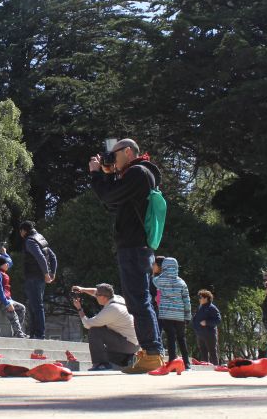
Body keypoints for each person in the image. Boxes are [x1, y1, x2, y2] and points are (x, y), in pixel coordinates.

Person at [89, 138, 165, 373]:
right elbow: (113, 204)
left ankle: (152, 352)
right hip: (136, 247)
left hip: (134, 246)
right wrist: (109, 174)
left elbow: (108, 197)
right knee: (139, 300)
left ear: (129, 152)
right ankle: (152, 351)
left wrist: (96, 174)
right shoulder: (136, 175)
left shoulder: (138, 173)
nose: (112, 157)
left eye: (115, 153)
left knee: (138, 301)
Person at [72, 283, 138, 371]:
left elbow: (87, 324)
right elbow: (95, 291)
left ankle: (101, 364)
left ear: (104, 297)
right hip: (132, 343)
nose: (95, 296)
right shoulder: (118, 298)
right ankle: (126, 359)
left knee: (95, 330)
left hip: (127, 344)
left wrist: (79, 309)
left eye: (97, 295)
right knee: (105, 350)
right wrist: (82, 289)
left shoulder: (112, 309)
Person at [18, 220, 57, 340]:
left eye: (21, 231)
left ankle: (39, 334)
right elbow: (53, 256)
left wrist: (46, 273)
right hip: (39, 278)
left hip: (33, 277)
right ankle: (35, 333)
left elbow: (40, 257)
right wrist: (52, 272)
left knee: (36, 306)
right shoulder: (40, 238)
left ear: (24, 231)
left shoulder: (30, 241)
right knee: (35, 305)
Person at [153, 257, 192, 369]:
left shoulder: (160, 280)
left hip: (166, 315)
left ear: (164, 267)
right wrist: (188, 315)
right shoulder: (181, 282)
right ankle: (186, 363)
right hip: (179, 315)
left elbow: (154, 280)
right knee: (181, 338)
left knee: (170, 337)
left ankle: (172, 361)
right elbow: (186, 300)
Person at [0, 255, 27, 338]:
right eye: (6, 263)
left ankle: (18, 331)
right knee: (12, 313)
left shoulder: (2, 273)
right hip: (0, 300)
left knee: (22, 308)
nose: (7, 265)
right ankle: (18, 333)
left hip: (7, 299)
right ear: (1, 264)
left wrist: (10, 301)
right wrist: (7, 303)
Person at [192, 289, 221, 365]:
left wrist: (207, 322)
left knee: (212, 352)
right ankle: (205, 369)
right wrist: (196, 329)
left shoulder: (212, 308)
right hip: (200, 334)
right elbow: (195, 319)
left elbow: (218, 320)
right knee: (203, 352)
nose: (199, 299)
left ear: (206, 298)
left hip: (210, 334)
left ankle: (216, 368)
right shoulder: (200, 307)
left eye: (200, 297)